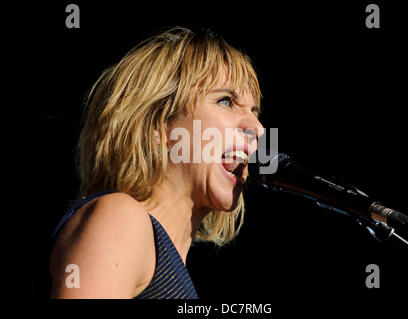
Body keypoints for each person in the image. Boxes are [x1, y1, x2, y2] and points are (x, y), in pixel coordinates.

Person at [32, 26, 263, 298]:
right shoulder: (119, 217)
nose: (257, 128)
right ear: (159, 127)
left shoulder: (164, 262)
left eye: (255, 111)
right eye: (226, 101)